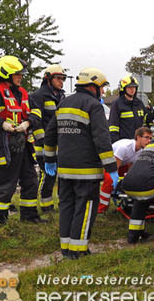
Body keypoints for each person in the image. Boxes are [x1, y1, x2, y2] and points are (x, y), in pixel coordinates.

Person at [44, 67, 117, 259]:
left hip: (65, 169)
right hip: (87, 170)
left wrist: (49, 159)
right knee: (85, 208)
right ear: (92, 86)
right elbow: (102, 139)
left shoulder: (63, 103)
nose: (102, 92)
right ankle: (78, 251)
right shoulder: (94, 106)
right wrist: (111, 168)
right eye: (101, 88)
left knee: (67, 206)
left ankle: (66, 248)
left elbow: (50, 133)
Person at [0, 55, 45, 226]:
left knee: (30, 180)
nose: (21, 76)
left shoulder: (23, 92)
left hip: (23, 144)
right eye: (17, 74)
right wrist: (1, 124)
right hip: (3, 144)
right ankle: (0, 220)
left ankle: (29, 216)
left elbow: (37, 111)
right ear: (7, 74)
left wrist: (28, 122)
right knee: (5, 184)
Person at [122, 121, 154, 244]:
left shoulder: (151, 144)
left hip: (128, 184)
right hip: (149, 184)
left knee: (141, 198)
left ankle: (133, 234)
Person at [29, 64, 67, 213]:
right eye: (58, 78)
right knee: (47, 175)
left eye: (63, 78)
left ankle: (60, 205)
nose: (61, 81)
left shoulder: (62, 96)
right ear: (48, 79)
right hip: (42, 144)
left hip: (60, 143)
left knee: (61, 176)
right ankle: (44, 206)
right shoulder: (38, 96)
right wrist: (43, 142)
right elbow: (36, 121)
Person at [98, 127, 152, 213]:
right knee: (110, 180)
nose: (149, 141)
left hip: (121, 163)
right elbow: (114, 168)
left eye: (150, 138)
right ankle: (101, 208)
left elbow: (132, 167)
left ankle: (125, 203)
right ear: (138, 137)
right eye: (146, 137)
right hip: (106, 164)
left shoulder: (141, 151)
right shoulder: (124, 147)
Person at [108, 74, 147, 143]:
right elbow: (113, 127)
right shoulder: (117, 104)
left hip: (138, 143)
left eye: (134, 87)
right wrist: (116, 143)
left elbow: (144, 122)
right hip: (123, 143)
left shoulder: (139, 103)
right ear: (124, 88)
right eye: (129, 87)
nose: (132, 89)